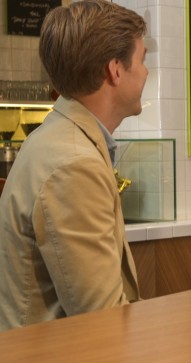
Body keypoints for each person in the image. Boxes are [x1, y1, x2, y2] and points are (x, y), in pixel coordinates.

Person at [0, 0, 147, 331]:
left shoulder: (57, 136)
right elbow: (102, 321)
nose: (146, 71)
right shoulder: (75, 163)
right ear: (116, 69)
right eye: (142, 59)